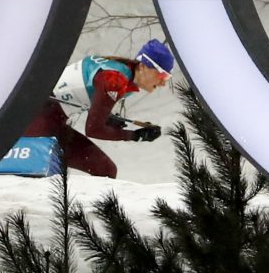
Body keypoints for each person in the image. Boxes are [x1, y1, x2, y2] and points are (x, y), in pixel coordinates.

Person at [20, 38, 173, 178]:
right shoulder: (115, 79)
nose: (163, 83)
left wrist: (106, 117)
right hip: (37, 120)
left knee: (105, 169)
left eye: (167, 78)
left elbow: (89, 98)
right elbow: (93, 129)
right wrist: (134, 135)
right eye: (161, 75)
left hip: (49, 119)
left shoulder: (123, 73)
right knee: (37, 178)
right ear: (143, 66)